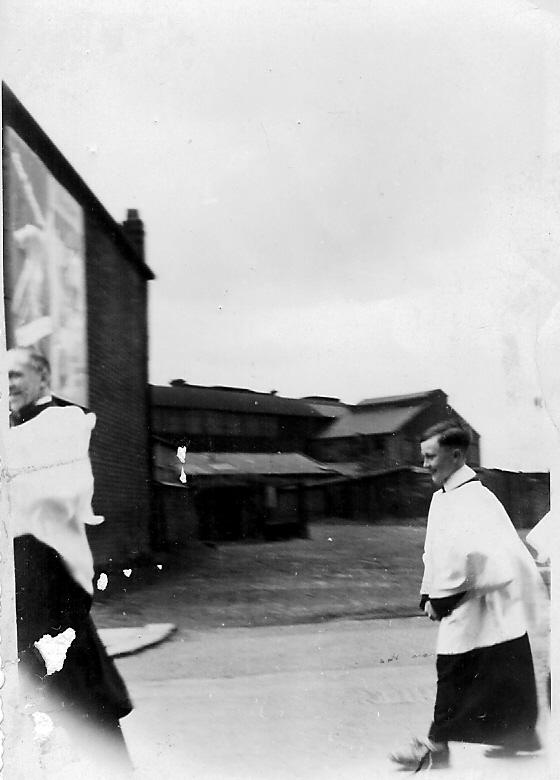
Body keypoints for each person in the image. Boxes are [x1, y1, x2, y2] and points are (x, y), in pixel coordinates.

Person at [390, 421, 547, 772]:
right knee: (501, 666)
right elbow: (435, 552)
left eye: (431, 456)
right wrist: (427, 593)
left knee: (455, 669)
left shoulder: (473, 497)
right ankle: (519, 735)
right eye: (423, 457)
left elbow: (466, 558)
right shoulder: (445, 495)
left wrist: (440, 600)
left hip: (477, 600)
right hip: (473, 599)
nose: (425, 464)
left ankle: (437, 747)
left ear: (456, 454)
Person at [6, 347, 133, 776]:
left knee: (81, 697)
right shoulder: (13, 427)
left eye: (17, 374)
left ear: (43, 377)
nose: (8, 384)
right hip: (20, 578)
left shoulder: (66, 420)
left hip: (53, 574)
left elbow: (45, 487)